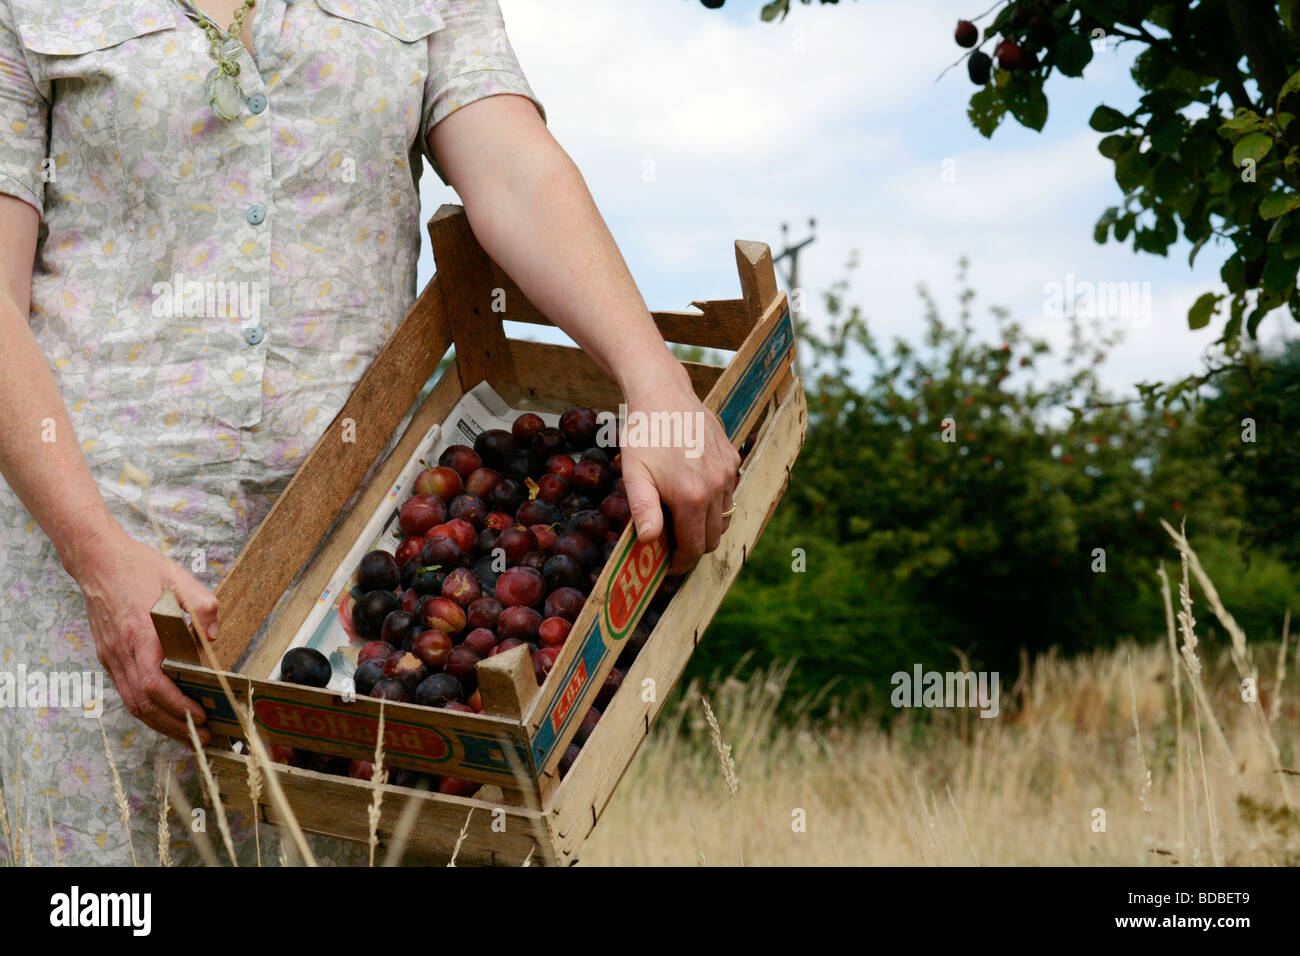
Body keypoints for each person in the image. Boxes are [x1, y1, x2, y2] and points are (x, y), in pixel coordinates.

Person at [0, 0, 739, 865]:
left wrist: (653, 379)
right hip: (108, 564)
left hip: (363, 577)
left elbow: (513, 171)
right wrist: (94, 553)